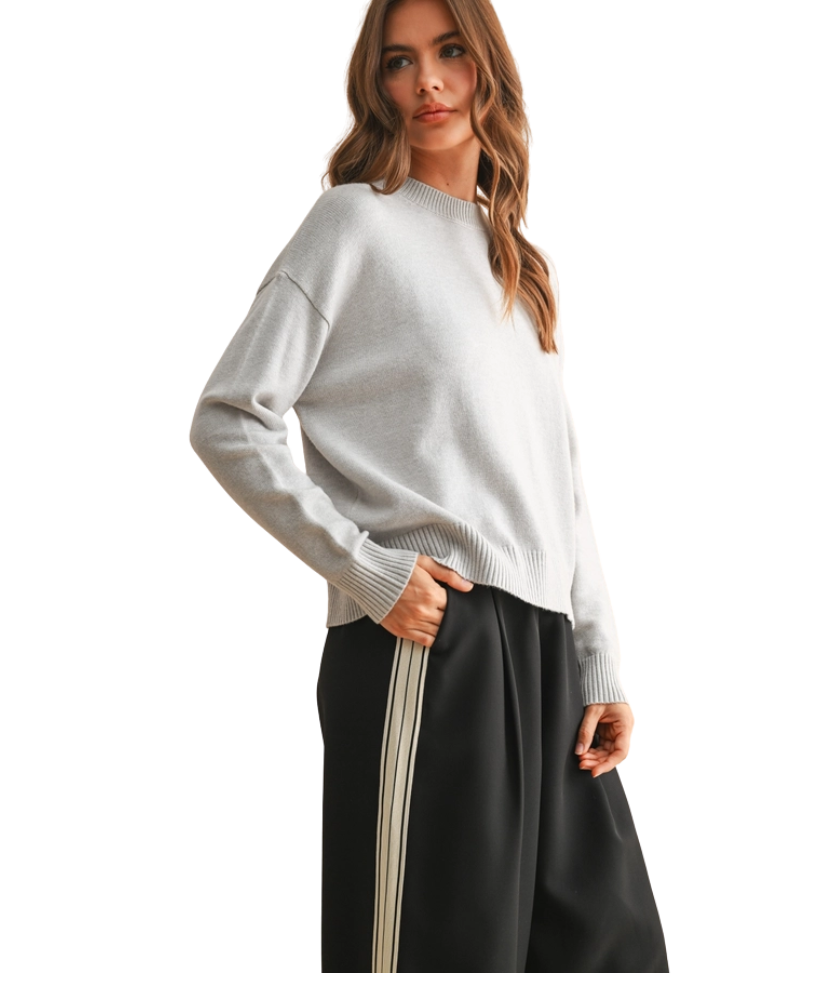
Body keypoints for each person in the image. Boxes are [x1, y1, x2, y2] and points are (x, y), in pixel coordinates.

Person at [189, 0, 669, 974]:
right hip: (432, 643)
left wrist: (599, 662)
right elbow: (228, 417)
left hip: (548, 654)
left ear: (489, 63)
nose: (428, 83)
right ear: (375, 83)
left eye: (450, 51)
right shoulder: (353, 223)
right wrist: (367, 571)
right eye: (399, 62)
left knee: (610, 948)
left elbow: (559, 482)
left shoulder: (531, 268)